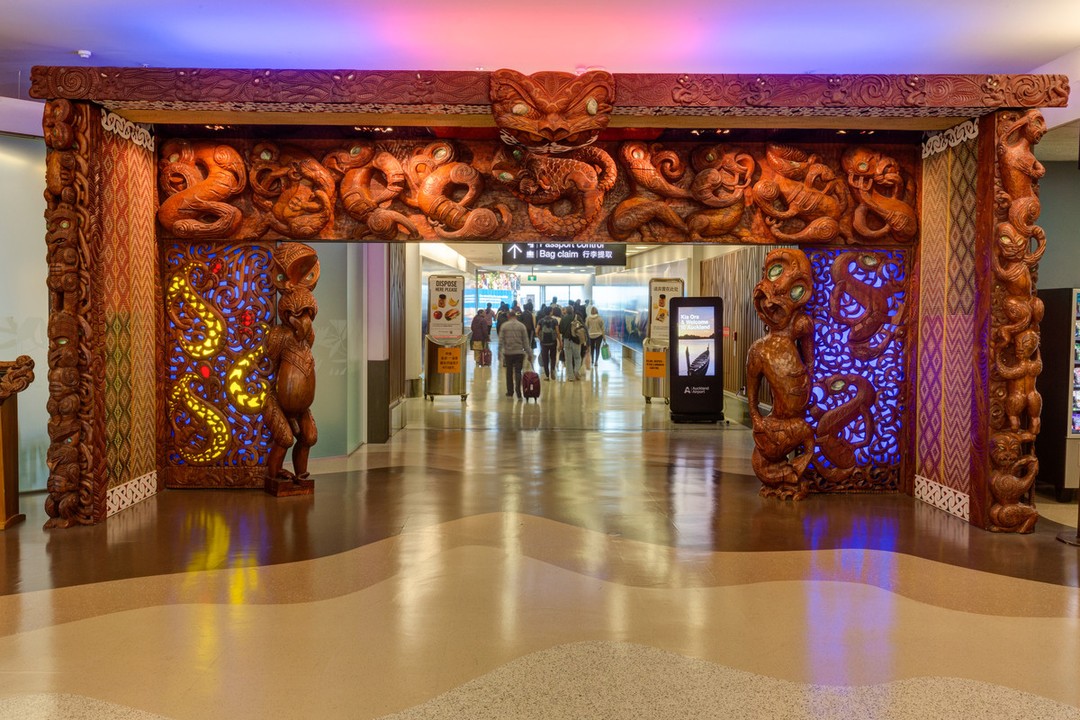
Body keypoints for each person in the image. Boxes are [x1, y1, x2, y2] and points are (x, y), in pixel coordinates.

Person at [498, 310, 533, 398]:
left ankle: (510, 392)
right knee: (518, 371)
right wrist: (529, 353)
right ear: (516, 316)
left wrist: (499, 352)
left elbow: (500, 341)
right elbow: (526, 342)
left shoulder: (504, 326)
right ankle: (518, 390)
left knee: (509, 372)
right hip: (519, 353)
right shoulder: (522, 326)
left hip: (508, 353)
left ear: (508, 316)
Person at [559, 304, 584, 381]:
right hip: (576, 340)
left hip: (566, 340)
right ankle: (576, 370)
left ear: (566, 311)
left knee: (568, 359)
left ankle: (570, 377)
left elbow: (560, 330)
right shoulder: (577, 317)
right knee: (577, 357)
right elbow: (582, 328)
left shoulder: (563, 318)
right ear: (573, 310)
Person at [536, 306, 561, 380]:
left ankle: (547, 375)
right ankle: (552, 369)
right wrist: (560, 341)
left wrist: (540, 339)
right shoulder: (554, 321)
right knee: (553, 357)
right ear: (550, 312)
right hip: (553, 342)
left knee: (545, 358)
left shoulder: (541, 321)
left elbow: (536, 332)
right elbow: (557, 332)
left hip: (544, 343)